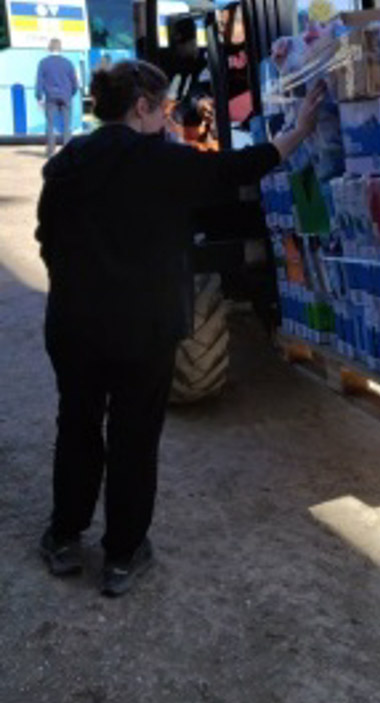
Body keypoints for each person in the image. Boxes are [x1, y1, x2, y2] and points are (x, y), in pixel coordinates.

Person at [36, 58, 322, 597]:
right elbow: (242, 168)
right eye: (164, 108)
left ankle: (65, 538)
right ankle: (122, 555)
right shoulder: (164, 162)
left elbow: (45, 239)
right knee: (133, 438)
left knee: (76, 426)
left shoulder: (69, 161)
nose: (168, 119)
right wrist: (301, 130)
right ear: (141, 106)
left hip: (74, 325)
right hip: (143, 329)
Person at [35, 38, 79, 158]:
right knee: (66, 125)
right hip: (66, 96)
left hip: (50, 97)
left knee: (50, 124)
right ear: (60, 48)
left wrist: (39, 96)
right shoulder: (68, 63)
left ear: (49, 48)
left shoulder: (43, 63)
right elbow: (75, 83)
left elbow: (39, 81)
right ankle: (67, 152)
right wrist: (70, 94)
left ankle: (50, 151)